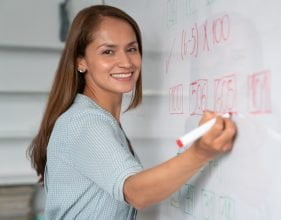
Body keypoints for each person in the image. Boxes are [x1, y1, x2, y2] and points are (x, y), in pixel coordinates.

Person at [28, 5, 236, 220]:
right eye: (108, 51)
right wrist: (201, 152)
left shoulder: (99, 119)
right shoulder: (85, 122)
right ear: (81, 61)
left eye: (131, 49)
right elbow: (136, 192)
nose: (126, 62)